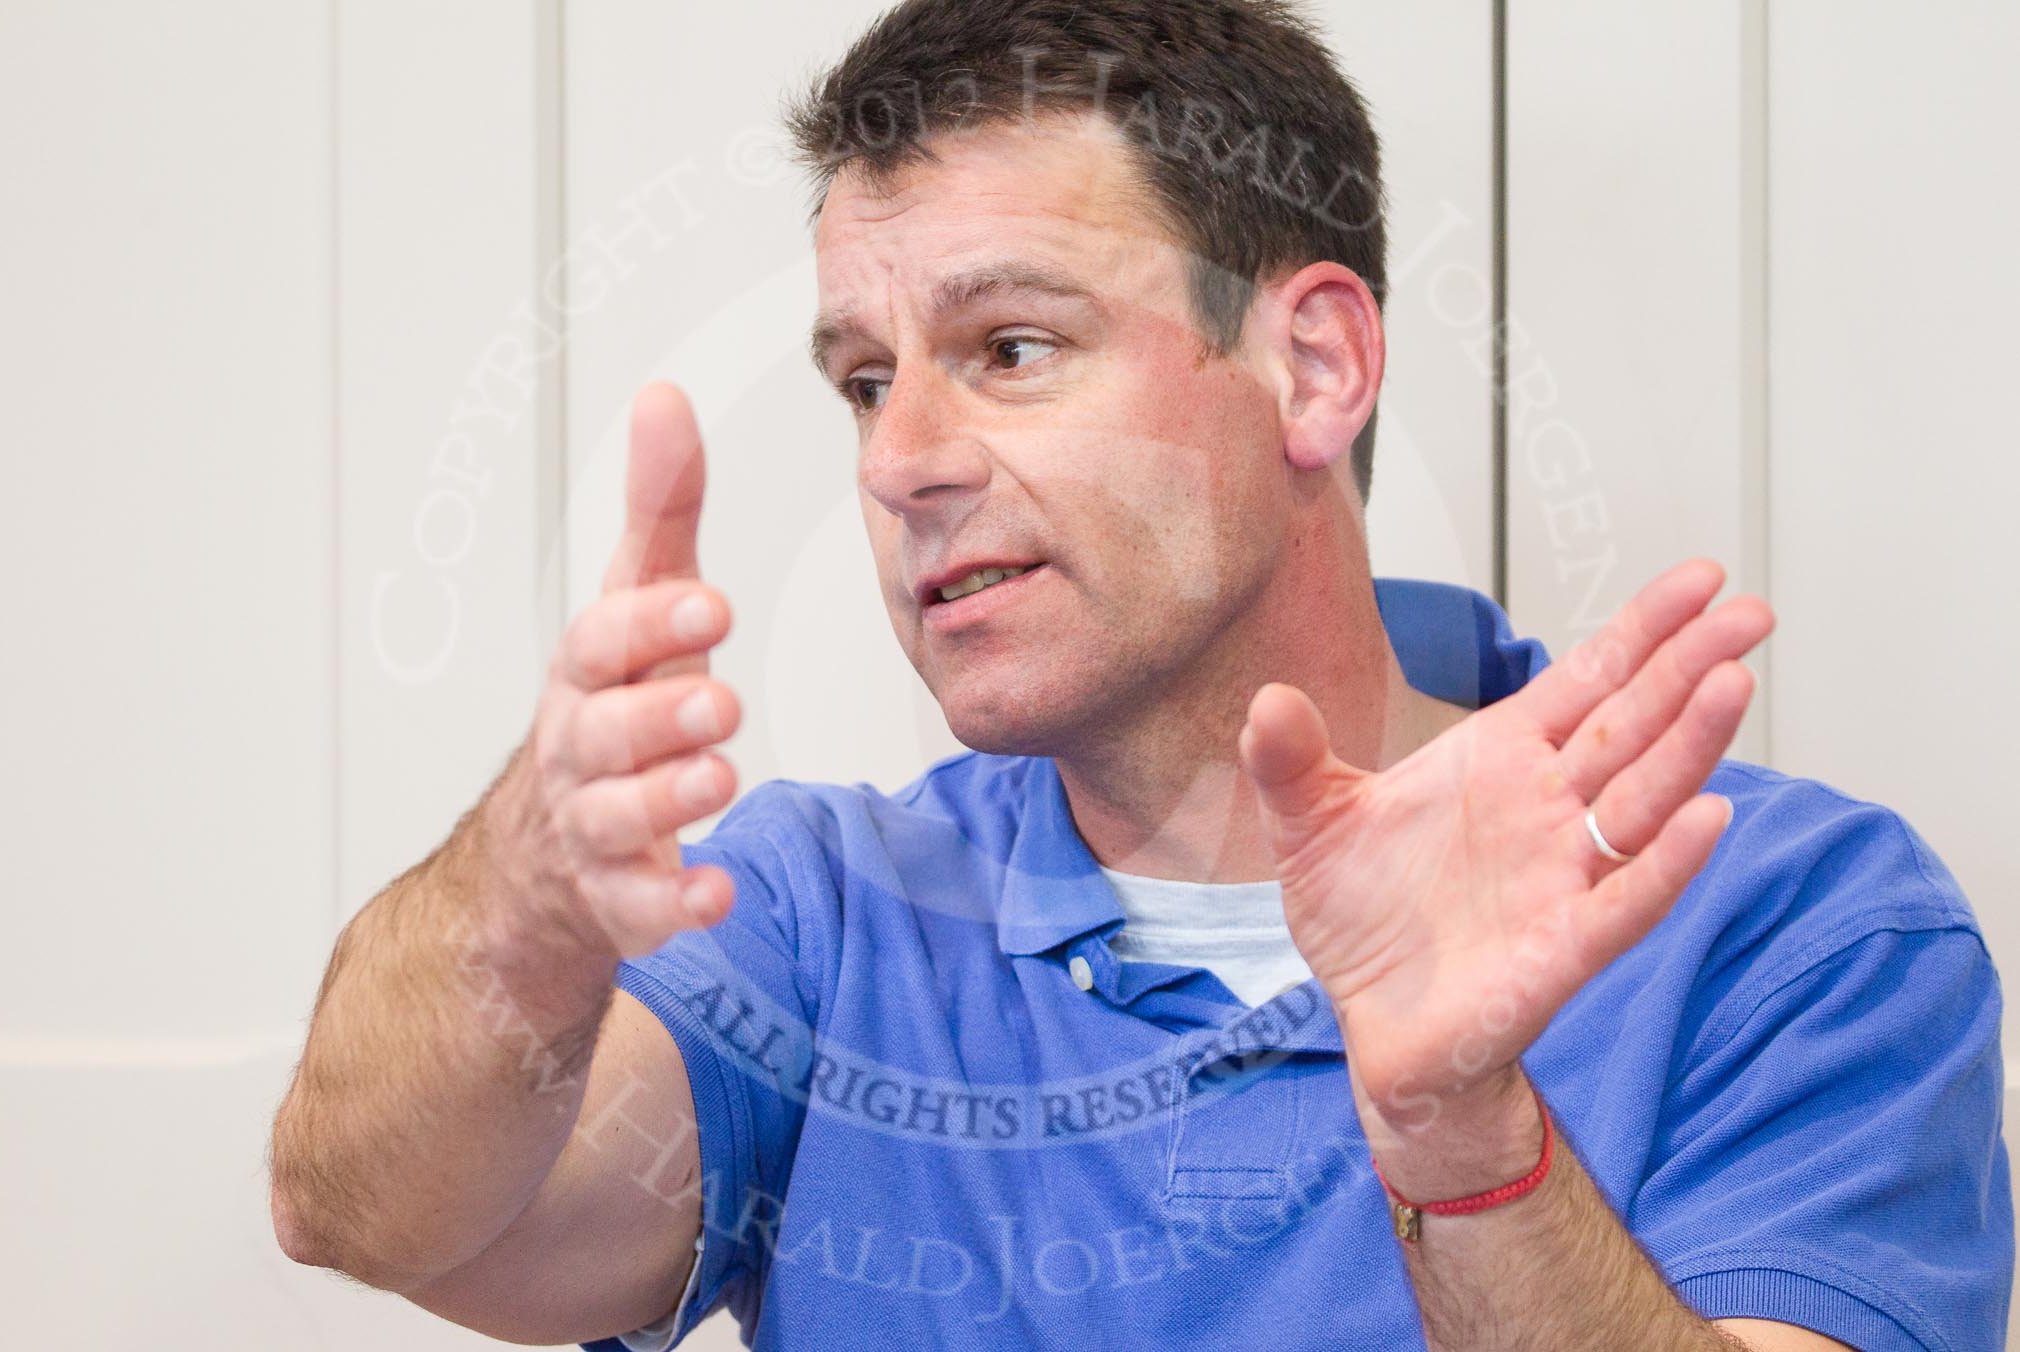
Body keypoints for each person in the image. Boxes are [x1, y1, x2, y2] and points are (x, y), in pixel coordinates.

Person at [267, 2, 2012, 1348]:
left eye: (1010, 346)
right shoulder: (818, 917)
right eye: (866, 379)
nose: (901, 461)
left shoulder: (1794, 921)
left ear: (1312, 367)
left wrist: (1465, 1139)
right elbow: (373, 1212)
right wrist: (526, 899)